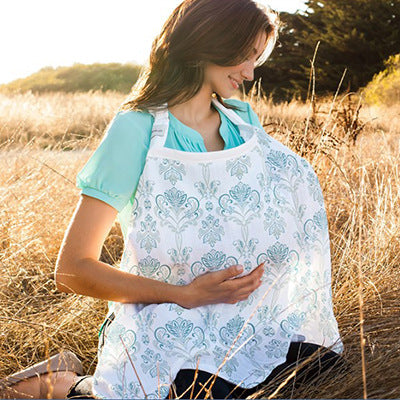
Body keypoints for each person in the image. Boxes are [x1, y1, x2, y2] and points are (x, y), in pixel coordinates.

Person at [1, 0, 345, 398]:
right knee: (190, 393)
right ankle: (61, 383)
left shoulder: (243, 124)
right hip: (166, 316)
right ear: (206, 43)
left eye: (256, 59)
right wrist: (187, 295)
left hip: (243, 318)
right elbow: (73, 269)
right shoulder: (137, 129)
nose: (250, 73)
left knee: (320, 370)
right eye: (244, 57)